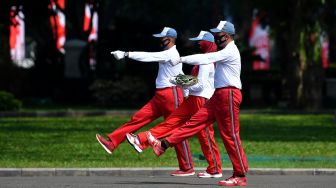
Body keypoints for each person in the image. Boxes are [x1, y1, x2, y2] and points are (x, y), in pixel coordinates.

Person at [145, 21, 249, 186]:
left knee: (230, 136)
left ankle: (240, 175)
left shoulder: (230, 51)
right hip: (218, 95)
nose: (216, 37)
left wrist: (181, 59)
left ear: (227, 36)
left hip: (228, 94)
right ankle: (163, 144)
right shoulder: (224, 50)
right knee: (193, 123)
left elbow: (206, 60)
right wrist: (182, 79)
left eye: (219, 35)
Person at [95, 27, 195, 176]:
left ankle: (187, 167)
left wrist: (126, 54)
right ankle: (112, 142)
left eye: (162, 37)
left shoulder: (170, 53)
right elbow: (180, 74)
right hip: (161, 96)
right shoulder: (170, 54)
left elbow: (148, 56)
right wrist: (186, 92)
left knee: (175, 130)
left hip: (171, 95)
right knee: (137, 118)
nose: (160, 40)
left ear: (170, 39)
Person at [126, 31, 222, 178]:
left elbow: (200, 85)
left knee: (205, 135)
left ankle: (215, 168)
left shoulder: (206, 60)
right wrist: (184, 88)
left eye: (200, 41)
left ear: (208, 43)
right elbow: (195, 81)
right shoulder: (203, 58)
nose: (198, 43)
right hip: (193, 98)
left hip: (202, 99)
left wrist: (181, 82)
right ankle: (141, 140)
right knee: (172, 122)